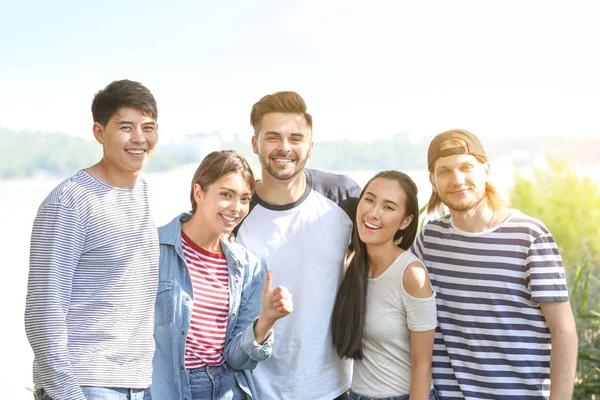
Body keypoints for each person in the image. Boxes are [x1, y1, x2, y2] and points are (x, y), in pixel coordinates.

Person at [411, 129, 578, 399]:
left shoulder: (529, 237)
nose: (457, 180)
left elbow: (564, 330)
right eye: (444, 172)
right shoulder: (428, 240)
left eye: (467, 167)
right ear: (432, 180)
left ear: (486, 170)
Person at [25, 79, 160, 400]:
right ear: (99, 132)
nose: (139, 138)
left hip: (137, 383)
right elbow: (43, 309)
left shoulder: (141, 193)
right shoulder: (70, 201)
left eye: (148, 127)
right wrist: (69, 393)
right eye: (126, 126)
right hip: (85, 381)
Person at [234, 91, 362, 400]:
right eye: (273, 137)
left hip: (336, 388)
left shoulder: (343, 197)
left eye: (295, 138)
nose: (285, 148)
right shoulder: (235, 210)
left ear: (310, 147)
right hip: (256, 388)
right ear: (255, 144)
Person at [151, 150, 293, 400]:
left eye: (245, 199)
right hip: (168, 389)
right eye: (226, 195)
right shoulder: (152, 250)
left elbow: (236, 358)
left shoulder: (248, 267)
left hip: (226, 389)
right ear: (199, 192)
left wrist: (267, 320)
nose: (236, 208)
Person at [331, 170, 438, 400]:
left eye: (388, 207)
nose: (373, 213)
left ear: (406, 221)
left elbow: (422, 366)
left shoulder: (411, 275)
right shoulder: (352, 265)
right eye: (369, 200)